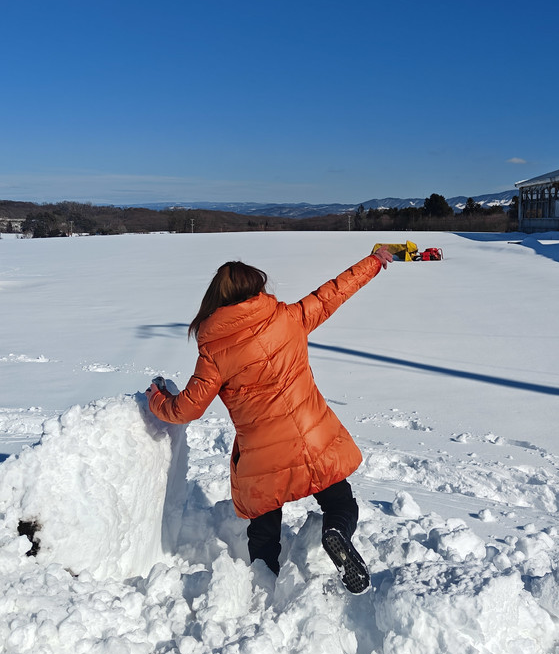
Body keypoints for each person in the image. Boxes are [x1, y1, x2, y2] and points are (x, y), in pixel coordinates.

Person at [146, 247, 394, 594]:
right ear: (256, 290)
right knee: (340, 501)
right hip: (314, 436)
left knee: (264, 527)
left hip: (263, 455)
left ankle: (265, 587)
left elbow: (187, 408)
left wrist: (156, 398)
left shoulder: (214, 351)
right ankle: (335, 532)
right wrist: (372, 263)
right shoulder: (288, 318)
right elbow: (332, 293)